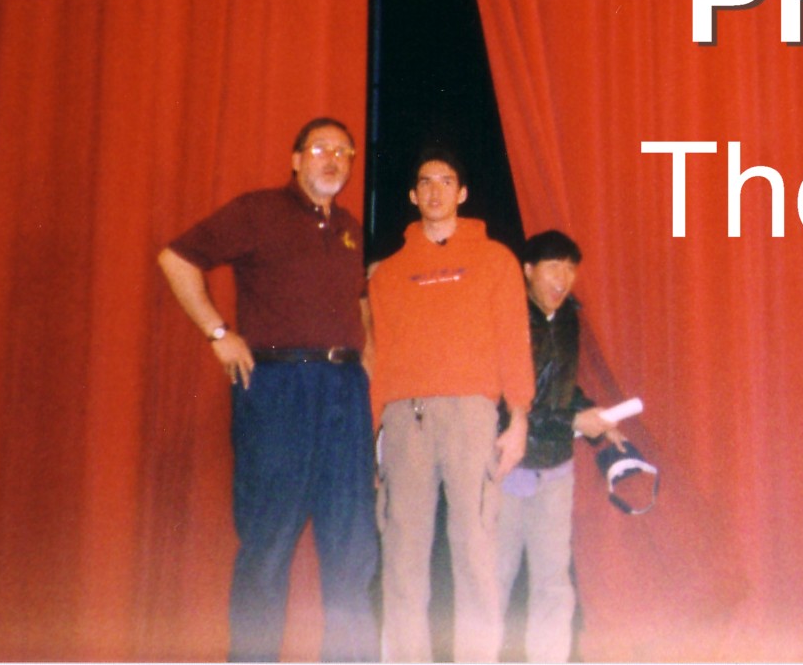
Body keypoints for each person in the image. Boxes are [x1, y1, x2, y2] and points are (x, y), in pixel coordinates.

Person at [158, 118, 378, 662]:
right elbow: (176, 258)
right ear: (296, 158)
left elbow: (361, 303)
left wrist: (366, 362)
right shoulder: (258, 211)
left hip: (344, 392)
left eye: (343, 152)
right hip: (278, 388)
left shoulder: (350, 227)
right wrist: (217, 333)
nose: (333, 160)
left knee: (352, 546)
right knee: (269, 542)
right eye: (320, 149)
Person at [366, 152, 533, 663]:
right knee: (402, 556)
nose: (435, 190)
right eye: (424, 183)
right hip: (404, 418)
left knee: (476, 552)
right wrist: (377, 434)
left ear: (462, 193)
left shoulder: (496, 259)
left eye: (446, 181)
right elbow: (379, 355)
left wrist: (518, 418)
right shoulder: (388, 273)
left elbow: (513, 339)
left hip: (471, 415)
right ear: (412, 196)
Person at [497, 230, 624, 665]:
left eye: (571, 268)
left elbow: (562, 391)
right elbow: (503, 404)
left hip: (555, 469)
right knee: (494, 580)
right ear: (527, 270)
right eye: (554, 266)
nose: (564, 277)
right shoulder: (506, 317)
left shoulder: (569, 318)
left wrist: (597, 423)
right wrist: (574, 421)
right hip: (508, 468)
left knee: (553, 581)